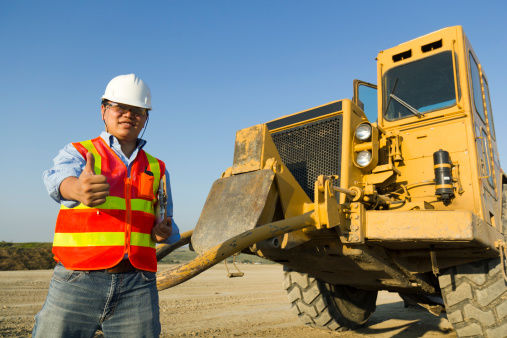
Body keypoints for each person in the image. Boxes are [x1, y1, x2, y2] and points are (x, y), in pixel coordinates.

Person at [33, 74, 180, 338]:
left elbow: (165, 221)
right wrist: (76, 188)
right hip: (77, 280)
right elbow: (57, 178)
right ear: (104, 110)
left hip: (138, 284)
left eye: (137, 111)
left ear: (146, 118)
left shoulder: (158, 168)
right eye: (119, 107)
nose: (128, 115)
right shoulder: (80, 152)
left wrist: (163, 232)